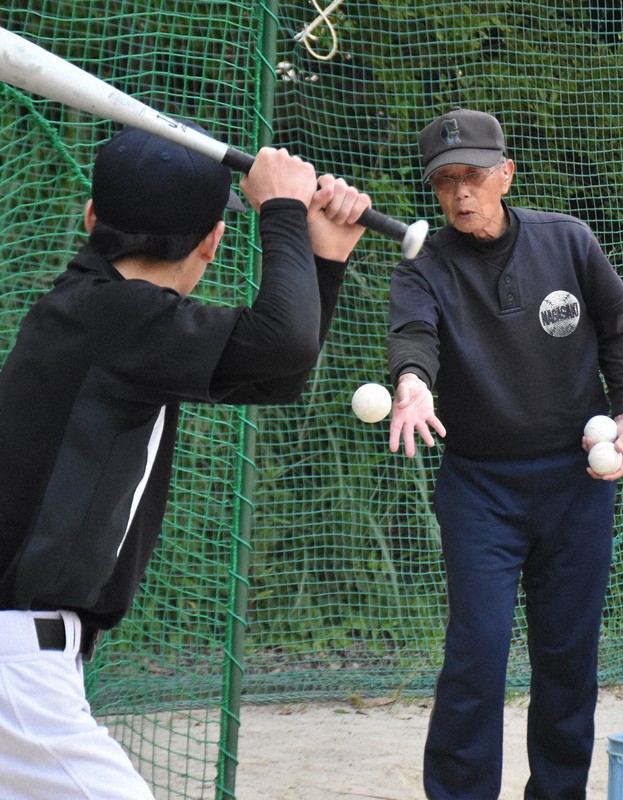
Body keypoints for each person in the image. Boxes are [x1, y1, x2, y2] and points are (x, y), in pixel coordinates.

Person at [0, 122, 371, 799]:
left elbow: (275, 372)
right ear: (212, 240)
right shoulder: (117, 317)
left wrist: (322, 257)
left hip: (29, 663)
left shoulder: (98, 311)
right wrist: (281, 212)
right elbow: (282, 346)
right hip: (16, 668)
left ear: (91, 217)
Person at [387, 108, 623, 800]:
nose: (460, 193)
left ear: (505, 173)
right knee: (476, 656)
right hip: (479, 490)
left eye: (472, 176)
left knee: (568, 659)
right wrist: (411, 383)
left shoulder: (567, 241)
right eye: (444, 181)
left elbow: (616, 324)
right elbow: (413, 337)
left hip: (576, 483)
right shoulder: (423, 265)